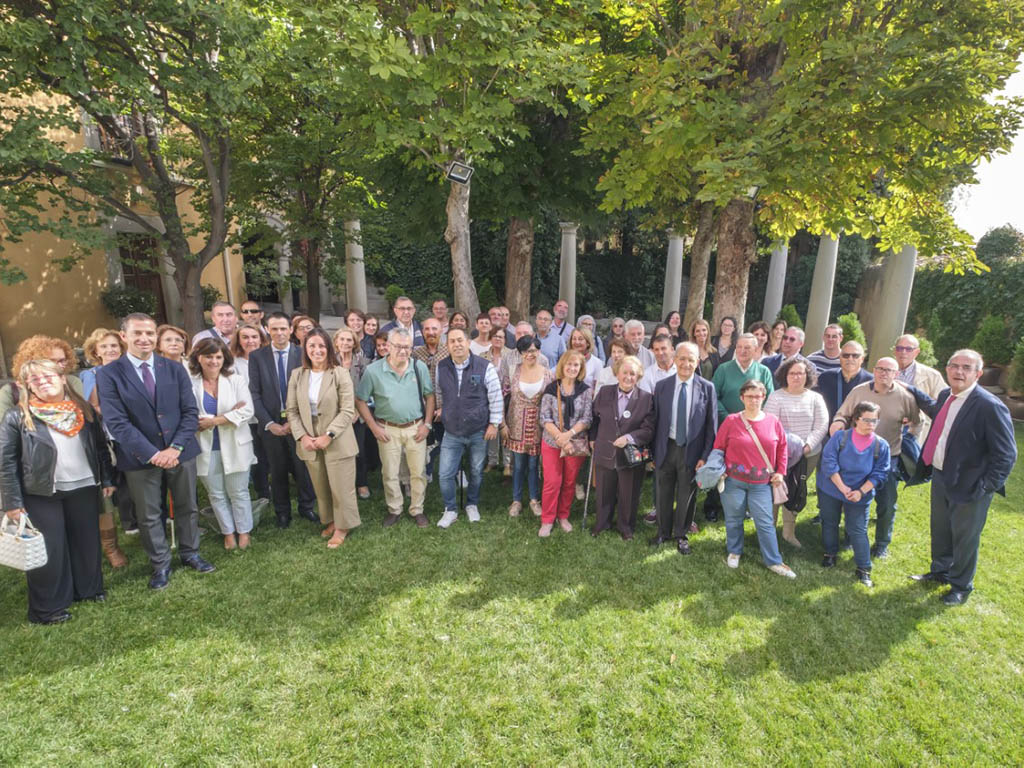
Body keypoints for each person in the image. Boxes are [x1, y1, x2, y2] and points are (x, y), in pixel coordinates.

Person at [96, 313, 214, 590]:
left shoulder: (173, 368)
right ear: (124, 336)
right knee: (149, 514)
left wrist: (175, 448)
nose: (144, 339)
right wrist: (153, 453)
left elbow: (189, 412)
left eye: (149, 333)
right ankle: (160, 564)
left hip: (180, 452)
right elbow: (116, 422)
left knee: (187, 506)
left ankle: (190, 553)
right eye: (137, 333)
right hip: (140, 458)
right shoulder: (109, 374)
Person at [0, 359, 114, 624]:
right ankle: (47, 608)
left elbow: (100, 448)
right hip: (40, 493)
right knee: (51, 549)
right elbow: (5, 462)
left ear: (63, 378)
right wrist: (12, 502)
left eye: (48, 375)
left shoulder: (83, 410)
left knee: (86, 542)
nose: (43, 381)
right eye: (35, 379)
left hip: (83, 485)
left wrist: (107, 478)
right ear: (28, 386)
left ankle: (88, 590)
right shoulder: (17, 416)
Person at [909, 350, 1017, 605]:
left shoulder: (989, 406)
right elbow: (940, 417)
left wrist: (986, 486)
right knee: (941, 529)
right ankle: (941, 571)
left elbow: (1006, 454)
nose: (959, 371)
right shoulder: (947, 395)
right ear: (947, 369)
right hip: (941, 476)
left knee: (965, 537)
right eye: (954, 366)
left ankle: (960, 586)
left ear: (978, 374)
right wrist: (911, 392)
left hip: (972, 485)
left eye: (966, 368)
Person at [830, 356, 921, 560]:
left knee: (887, 503)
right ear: (874, 370)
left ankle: (881, 544)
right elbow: (842, 414)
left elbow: (917, 421)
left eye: (889, 370)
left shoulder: (905, 396)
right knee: (855, 499)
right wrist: (837, 424)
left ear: (896, 374)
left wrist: (909, 438)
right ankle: (850, 538)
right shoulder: (859, 391)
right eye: (880, 369)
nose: (883, 373)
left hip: (889, 458)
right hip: (859, 456)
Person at [286, 328, 360, 548]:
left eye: (321, 346)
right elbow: (291, 410)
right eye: (312, 346)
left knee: (341, 485)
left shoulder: (339, 373)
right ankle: (329, 520)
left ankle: (342, 526)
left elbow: (347, 410)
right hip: (309, 436)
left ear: (329, 348)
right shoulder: (297, 375)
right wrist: (301, 436)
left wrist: (329, 435)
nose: (317, 350)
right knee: (320, 484)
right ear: (305, 349)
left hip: (337, 436)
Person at [714, 380, 795, 578]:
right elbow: (718, 447)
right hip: (734, 481)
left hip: (761, 483)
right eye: (749, 396)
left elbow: (783, 448)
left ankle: (773, 561)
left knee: (765, 522)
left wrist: (780, 471)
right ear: (742, 398)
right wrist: (719, 469)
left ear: (763, 397)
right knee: (734, 518)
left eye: (758, 396)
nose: (754, 400)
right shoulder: (732, 421)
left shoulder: (773, 421)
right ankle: (734, 551)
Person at [356, 327, 435, 528]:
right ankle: (395, 509)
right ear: (388, 346)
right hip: (387, 429)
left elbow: (430, 396)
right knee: (390, 473)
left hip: (415, 428)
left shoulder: (419, 368)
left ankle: (417, 509)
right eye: (398, 346)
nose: (403, 351)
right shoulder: (374, 371)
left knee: (418, 472)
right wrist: (374, 427)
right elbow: (361, 400)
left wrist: (427, 424)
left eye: (407, 347)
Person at [247, 311, 317, 528]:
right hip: (271, 423)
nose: (279, 333)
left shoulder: (303, 354)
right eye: (274, 328)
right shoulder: (257, 357)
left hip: (300, 421)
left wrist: (294, 422)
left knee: (302, 468)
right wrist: (269, 423)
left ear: (290, 330)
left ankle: (306, 507)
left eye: (283, 328)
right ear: (267, 329)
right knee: (277, 470)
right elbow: (254, 393)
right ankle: (282, 512)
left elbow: (309, 389)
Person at [189, 338, 255, 551]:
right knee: (216, 494)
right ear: (199, 358)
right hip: (206, 447)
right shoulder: (191, 382)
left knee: (239, 492)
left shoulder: (235, 380)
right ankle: (228, 532)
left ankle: (244, 531)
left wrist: (214, 420)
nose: (214, 361)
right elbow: (189, 415)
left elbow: (247, 411)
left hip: (236, 444)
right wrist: (229, 414)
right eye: (209, 356)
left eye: (218, 357)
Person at [650, 342, 717, 555]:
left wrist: (705, 455)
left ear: (697, 362)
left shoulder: (707, 387)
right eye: (682, 358)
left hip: (692, 450)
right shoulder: (662, 386)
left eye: (691, 359)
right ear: (675, 359)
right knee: (663, 492)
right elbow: (654, 421)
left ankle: (681, 534)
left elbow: (711, 426)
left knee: (687, 493)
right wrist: (652, 451)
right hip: (666, 447)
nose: (686, 363)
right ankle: (663, 531)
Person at [434, 327, 503, 528]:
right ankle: (450, 509)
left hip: (477, 430)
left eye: (460, 340)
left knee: (475, 471)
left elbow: (496, 396)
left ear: (467, 342)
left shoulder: (484, 366)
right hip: (452, 432)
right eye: (452, 341)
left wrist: (494, 423)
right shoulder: (442, 366)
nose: (456, 344)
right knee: (445, 474)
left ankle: (472, 504)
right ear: (447, 346)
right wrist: (441, 409)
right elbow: (439, 391)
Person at [818, 401, 891, 587]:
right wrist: (842, 487)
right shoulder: (840, 438)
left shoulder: (881, 446)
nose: (871, 424)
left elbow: (880, 473)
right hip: (832, 488)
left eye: (874, 421)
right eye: (866, 420)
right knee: (830, 522)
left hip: (860, 494)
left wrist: (861, 492)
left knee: (858, 529)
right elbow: (828, 462)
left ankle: (864, 568)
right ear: (856, 419)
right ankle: (830, 553)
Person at [589, 355, 655, 540]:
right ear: (617, 373)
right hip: (605, 450)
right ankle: (602, 524)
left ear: (639, 376)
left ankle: (626, 527)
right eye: (624, 372)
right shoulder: (604, 392)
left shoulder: (647, 399)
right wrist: (593, 438)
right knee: (604, 492)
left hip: (631, 455)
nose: (628, 377)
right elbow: (594, 418)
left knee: (629, 493)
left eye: (633, 374)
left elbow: (649, 429)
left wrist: (629, 437)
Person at [764, 358, 828, 548]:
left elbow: (822, 425)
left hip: (808, 454)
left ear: (807, 376)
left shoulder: (815, 398)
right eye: (792, 373)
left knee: (795, 489)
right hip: (779, 455)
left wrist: (807, 446)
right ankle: (769, 531)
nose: (796, 377)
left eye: (801, 373)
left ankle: (788, 533)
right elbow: (771, 425)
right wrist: (786, 451)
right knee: (776, 489)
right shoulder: (776, 397)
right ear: (785, 375)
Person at [538, 350, 593, 537]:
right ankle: (547, 519)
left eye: (576, 365)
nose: (572, 368)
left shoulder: (585, 391)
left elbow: (587, 418)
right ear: (563, 365)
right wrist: (560, 438)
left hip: (574, 443)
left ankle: (563, 515)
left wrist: (568, 435)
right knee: (552, 481)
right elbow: (544, 418)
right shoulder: (551, 388)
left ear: (581, 368)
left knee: (569, 482)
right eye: (569, 364)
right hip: (552, 441)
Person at [502, 335, 553, 517]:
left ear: (539, 351)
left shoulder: (548, 373)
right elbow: (503, 396)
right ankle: (516, 500)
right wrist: (502, 424)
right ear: (520, 353)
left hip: (538, 425)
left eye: (533, 350)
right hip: (516, 424)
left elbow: (552, 401)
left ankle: (534, 499)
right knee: (518, 465)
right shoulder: (513, 370)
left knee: (534, 465)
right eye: (526, 351)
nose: (530, 354)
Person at [229, 323, 271, 507]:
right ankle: (263, 492)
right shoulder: (233, 364)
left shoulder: (267, 359)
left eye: (254, 337)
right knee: (257, 456)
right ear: (238, 341)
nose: (250, 341)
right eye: (245, 337)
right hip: (248, 419)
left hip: (268, 414)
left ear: (261, 339)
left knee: (272, 454)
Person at [0, 335, 85, 416]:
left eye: (62, 360)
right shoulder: (10, 391)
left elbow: (84, 413)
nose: (59, 365)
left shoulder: (72, 382)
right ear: (33, 362)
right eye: (51, 361)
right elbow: (4, 425)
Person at [334, 326, 371, 499]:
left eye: (349, 340)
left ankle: (361, 483)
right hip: (335, 414)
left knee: (359, 450)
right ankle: (343, 484)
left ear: (354, 343)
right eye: (342, 339)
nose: (345, 343)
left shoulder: (363, 362)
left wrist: (356, 410)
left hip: (358, 414)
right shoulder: (329, 362)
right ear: (336, 342)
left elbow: (366, 389)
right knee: (339, 451)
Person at [412, 317, 450, 480]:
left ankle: (455, 472)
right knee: (425, 441)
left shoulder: (449, 351)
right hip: (421, 406)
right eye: (427, 329)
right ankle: (427, 469)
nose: (431, 332)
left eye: (434, 329)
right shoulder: (416, 353)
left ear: (441, 330)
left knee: (447, 442)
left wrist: (446, 407)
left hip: (445, 406)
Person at [712, 333, 775, 424]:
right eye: (739, 347)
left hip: (755, 424)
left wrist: (756, 417)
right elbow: (713, 396)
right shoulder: (723, 369)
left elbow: (770, 400)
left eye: (747, 348)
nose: (742, 351)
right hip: (727, 424)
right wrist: (727, 417)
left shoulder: (763, 371)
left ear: (755, 349)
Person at [893, 333, 946, 440]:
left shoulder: (932, 375)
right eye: (900, 348)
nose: (903, 352)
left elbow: (943, 404)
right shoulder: (884, 370)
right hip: (889, 428)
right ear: (895, 351)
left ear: (917, 352)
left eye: (908, 349)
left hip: (916, 432)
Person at [483, 327, 516, 472]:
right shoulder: (482, 355)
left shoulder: (511, 355)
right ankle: (492, 460)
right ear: (490, 338)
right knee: (492, 428)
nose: (498, 339)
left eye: (501, 337)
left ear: (505, 340)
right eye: (495, 336)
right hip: (487, 398)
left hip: (507, 398)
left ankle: (507, 463)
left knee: (505, 429)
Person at [815, 341, 872, 422]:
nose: (850, 359)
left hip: (857, 432)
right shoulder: (825, 378)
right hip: (826, 430)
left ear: (862, 359)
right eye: (846, 355)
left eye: (855, 356)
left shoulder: (871, 382)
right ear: (840, 357)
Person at [81, 328, 126, 400]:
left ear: (121, 349)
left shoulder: (132, 371)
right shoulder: (91, 375)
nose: (110, 350)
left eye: (114, 345)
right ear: (96, 352)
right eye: (103, 346)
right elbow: (93, 405)